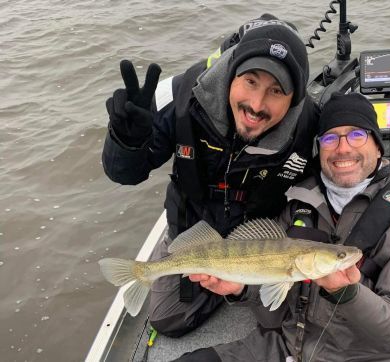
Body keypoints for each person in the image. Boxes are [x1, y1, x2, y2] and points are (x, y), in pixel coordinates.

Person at [179, 92, 390, 362]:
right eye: (330, 138)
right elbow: (275, 317)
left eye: (357, 135)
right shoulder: (296, 204)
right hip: (286, 346)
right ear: (319, 149)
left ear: (377, 146)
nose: (342, 148)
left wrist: (347, 293)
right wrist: (241, 289)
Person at [102, 14, 319, 337]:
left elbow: (333, 173)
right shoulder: (179, 95)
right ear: (231, 73)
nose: (256, 104)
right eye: (251, 81)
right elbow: (125, 174)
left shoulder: (310, 125)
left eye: (276, 91)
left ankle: (239, 286)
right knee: (168, 320)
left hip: (265, 238)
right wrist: (126, 142)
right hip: (193, 230)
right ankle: (228, 283)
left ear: (294, 100)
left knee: (299, 318)